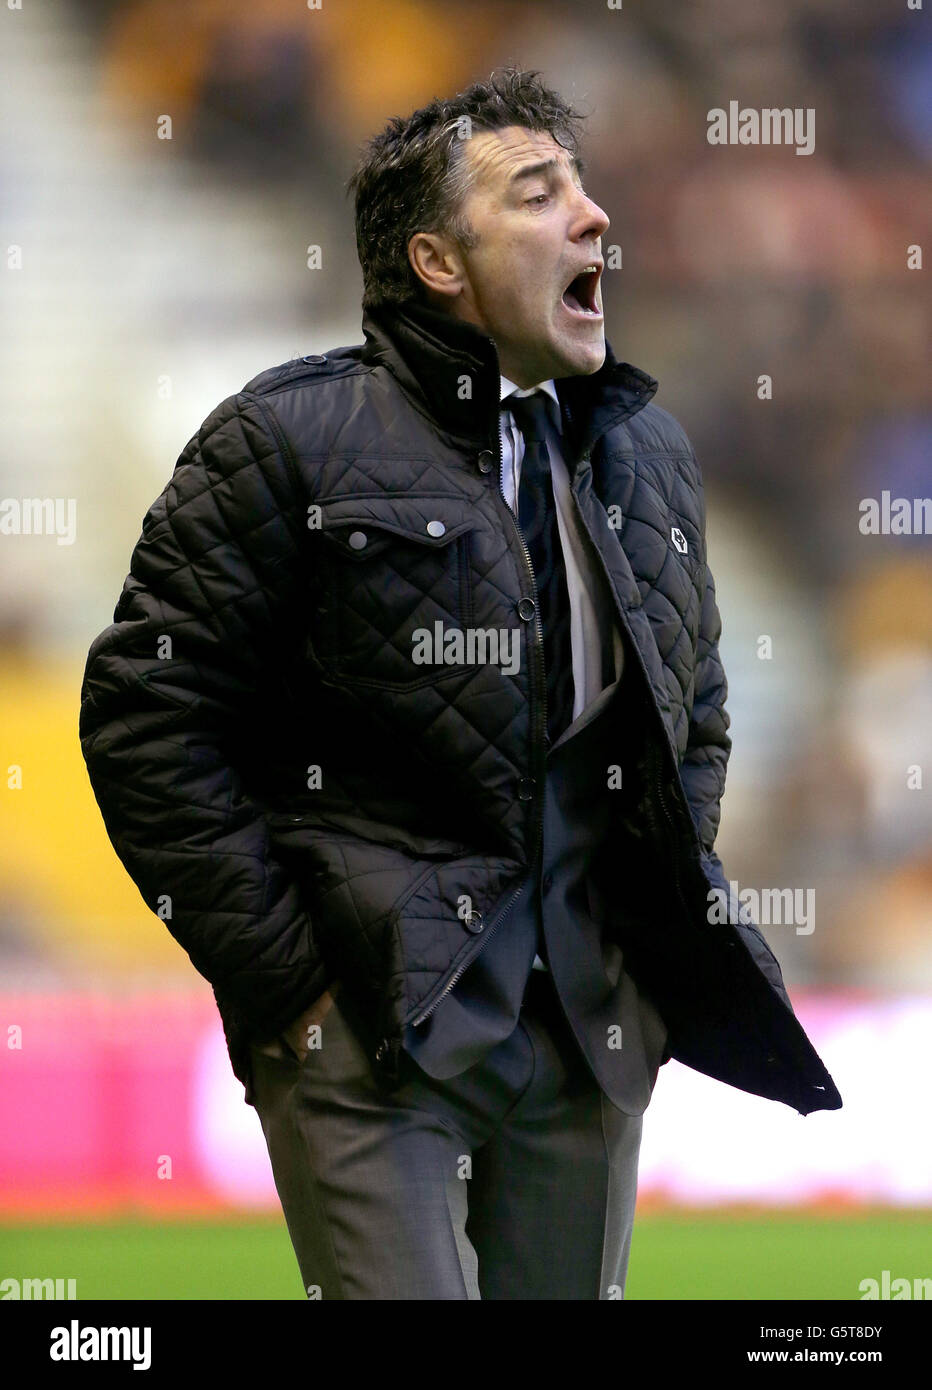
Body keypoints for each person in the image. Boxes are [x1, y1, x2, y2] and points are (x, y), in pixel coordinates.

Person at [79, 67, 841, 1301]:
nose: (593, 217)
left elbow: (689, 713)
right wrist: (287, 982)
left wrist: (630, 925)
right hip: (368, 1027)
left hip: (589, 1027)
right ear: (437, 261)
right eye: (539, 196)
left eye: (583, 189)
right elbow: (146, 719)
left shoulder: (644, 450)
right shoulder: (283, 440)